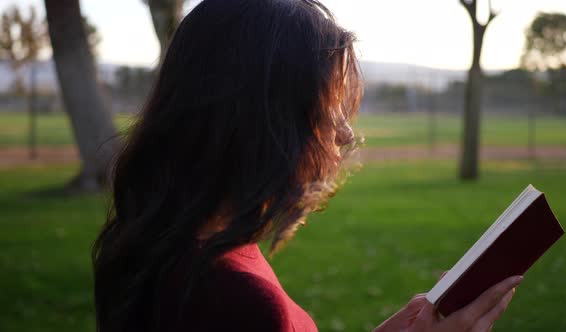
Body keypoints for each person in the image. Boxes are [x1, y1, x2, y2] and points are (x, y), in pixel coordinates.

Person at [92, 0, 522, 331]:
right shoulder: (235, 297)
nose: (345, 133)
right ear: (263, 115)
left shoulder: (156, 242)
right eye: (328, 106)